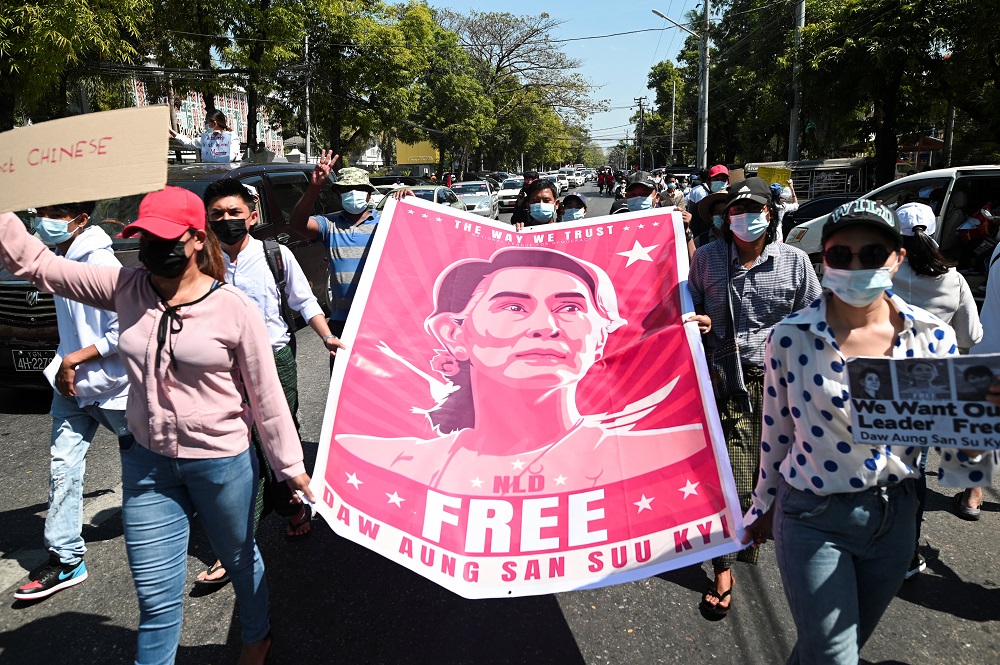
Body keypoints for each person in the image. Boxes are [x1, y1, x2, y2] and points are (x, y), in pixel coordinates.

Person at [0, 188, 314, 664]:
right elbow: (39, 268)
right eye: (144, 238)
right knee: (155, 598)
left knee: (239, 556)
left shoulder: (234, 308)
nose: (153, 249)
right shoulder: (126, 287)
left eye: (165, 238)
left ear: (193, 239)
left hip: (221, 464)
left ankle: (256, 633)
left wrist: (292, 469)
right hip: (148, 468)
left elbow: (267, 399)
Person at [742, 199, 996, 664]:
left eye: (873, 253)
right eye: (841, 255)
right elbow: (776, 430)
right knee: (834, 658)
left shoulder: (933, 337)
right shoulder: (790, 337)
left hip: (896, 517)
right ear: (825, 262)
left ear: (897, 258)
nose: (856, 265)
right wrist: (762, 505)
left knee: (835, 650)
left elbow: (961, 445)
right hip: (812, 517)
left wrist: (978, 427)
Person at [336, 247, 712, 493]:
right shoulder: (395, 464)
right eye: (513, 307)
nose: (545, 326)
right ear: (455, 334)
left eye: (570, 308)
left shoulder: (666, 456)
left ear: (600, 338)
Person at [190, 178, 346, 586]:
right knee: (240, 448)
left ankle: (285, 509)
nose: (227, 221)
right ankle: (244, 540)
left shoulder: (276, 256)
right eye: (217, 215)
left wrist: (326, 335)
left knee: (276, 439)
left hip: (276, 360)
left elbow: (304, 301)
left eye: (234, 213)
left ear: (252, 216)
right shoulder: (201, 263)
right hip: (222, 368)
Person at [688, 177, 821, 618]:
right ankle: (723, 567)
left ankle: (758, 538)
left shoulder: (796, 262)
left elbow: (815, 319)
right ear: (725, 218)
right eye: (736, 209)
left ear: (771, 213)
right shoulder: (707, 259)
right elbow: (686, 310)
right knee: (730, 479)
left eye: (753, 208)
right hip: (720, 380)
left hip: (778, 383)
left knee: (774, 479)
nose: (744, 216)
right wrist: (699, 320)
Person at [13, 202, 131, 601]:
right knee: (63, 464)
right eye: (42, 211)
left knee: (157, 470)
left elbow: (127, 331)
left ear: (81, 220)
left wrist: (74, 358)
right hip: (71, 388)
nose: (44, 221)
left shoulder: (102, 264)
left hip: (118, 388)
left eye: (55, 213)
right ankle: (66, 557)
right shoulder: (58, 258)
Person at [290, 151, 378, 351]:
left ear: (369, 193)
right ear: (338, 194)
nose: (353, 192)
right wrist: (314, 188)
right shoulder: (329, 224)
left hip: (378, 320)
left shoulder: (386, 222)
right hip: (342, 320)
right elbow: (297, 224)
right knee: (341, 379)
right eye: (347, 189)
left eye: (359, 188)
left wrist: (409, 205)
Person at [892, 203, 982, 351]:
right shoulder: (954, 278)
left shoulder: (878, 276)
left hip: (887, 365)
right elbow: (969, 338)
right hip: (938, 366)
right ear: (933, 233)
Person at [168, 109, 242, 163]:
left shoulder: (232, 136)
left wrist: (218, 139)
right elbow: (189, 143)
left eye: (206, 122)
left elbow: (231, 157)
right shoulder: (208, 139)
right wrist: (171, 131)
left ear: (214, 123)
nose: (205, 124)